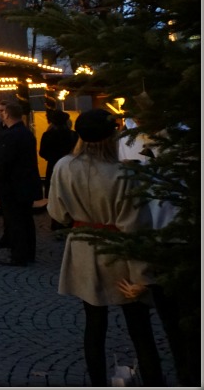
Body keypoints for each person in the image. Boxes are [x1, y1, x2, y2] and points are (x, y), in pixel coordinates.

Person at [47, 109, 164, 386]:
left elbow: (57, 212)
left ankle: (98, 382)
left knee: (94, 325)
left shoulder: (64, 166)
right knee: (140, 329)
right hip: (121, 254)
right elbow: (135, 226)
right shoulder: (123, 173)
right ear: (112, 135)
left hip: (84, 248)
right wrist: (142, 277)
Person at [0, 102, 42, 265]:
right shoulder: (26, 133)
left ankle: (19, 255)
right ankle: (28, 253)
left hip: (13, 185)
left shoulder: (11, 135)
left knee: (16, 221)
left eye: (1, 112)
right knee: (26, 219)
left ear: (6, 113)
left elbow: (5, 162)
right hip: (26, 183)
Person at [39, 109, 78, 230]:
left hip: (53, 166)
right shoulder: (73, 135)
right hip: (70, 168)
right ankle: (71, 222)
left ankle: (57, 223)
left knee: (55, 195)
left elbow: (42, 152)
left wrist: (52, 157)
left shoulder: (48, 135)